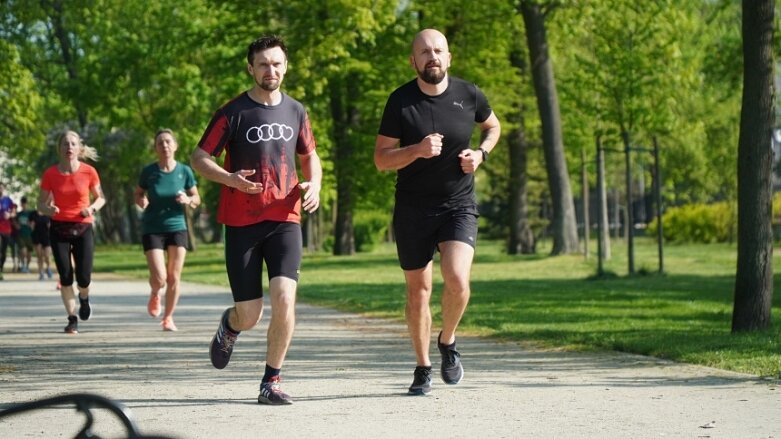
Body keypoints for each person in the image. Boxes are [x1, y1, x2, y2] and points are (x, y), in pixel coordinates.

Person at [190, 35, 322, 405]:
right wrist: (229, 178)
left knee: (284, 298)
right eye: (263, 64)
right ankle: (230, 325)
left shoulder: (296, 110)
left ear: (285, 66)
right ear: (251, 68)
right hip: (242, 222)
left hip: (286, 217)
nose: (271, 70)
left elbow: (310, 156)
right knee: (250, 314)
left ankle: (271, 380)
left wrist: (316, 185)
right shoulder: (233, 112)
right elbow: (199, 157)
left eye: (277, 63)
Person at [374, 29, 501, 396]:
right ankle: (423, 366)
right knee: (419, 291)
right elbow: (381, 159)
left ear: (449, 57)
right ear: (413, 61)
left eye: (438, 50)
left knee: (458, 279)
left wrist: (481, 155)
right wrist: (415, 150)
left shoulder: (469, 93)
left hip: (457, 204)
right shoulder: (400, 102)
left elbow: (493, 127)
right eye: (424, 52)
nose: (432, 57)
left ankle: (447, 340)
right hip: (413, 208)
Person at [38, 130, 106, 334]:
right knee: (65, 276)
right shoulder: (50, 174)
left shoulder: (89, 172)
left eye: (73, 144)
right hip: (58, 227)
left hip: (83, 226)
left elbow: (101, 198)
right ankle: (72, 318)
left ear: (79, 148)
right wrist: (49, 209)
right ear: (59, 148)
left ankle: (84, 298)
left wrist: (91, 208)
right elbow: (40, 203)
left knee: (83, 277)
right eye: (65, 144)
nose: (69, 147)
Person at [134, 129, 201, 332]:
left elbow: (196, 198)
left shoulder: (184, 171)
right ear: (155, 148)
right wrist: (141, 200)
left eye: (168, 142)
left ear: (175, 146)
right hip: (152, 228)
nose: (164, 145)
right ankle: (155, 292)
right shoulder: (149, 172)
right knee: (160, 277)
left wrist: (188, 200)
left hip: (177, 227)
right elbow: (138, 193)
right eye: (160, 142)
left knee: (174, 277)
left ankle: (168, 318)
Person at [30, 208, 53, 281]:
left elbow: (51, 225)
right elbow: (30, 224)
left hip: (47, 237)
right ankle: (41, 272)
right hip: (37, 237)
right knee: (39, 256)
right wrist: (31, 225)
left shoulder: (48, 213)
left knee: (47, 255)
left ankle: (48, 268)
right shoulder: (33, 214)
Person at [15, 196, 35, 274]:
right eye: (23, 203)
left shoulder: (30, 213)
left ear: (27, 204)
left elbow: (33, 225)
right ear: (21, 204)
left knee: (29, 253)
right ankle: (23, 266)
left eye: (25, 203)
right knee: (23, 251)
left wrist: (30, 224)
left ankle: (27, 266)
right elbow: (15, 222)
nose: (24, 205)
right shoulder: (18, 214)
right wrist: (17, 225)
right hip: (21, 235)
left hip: (29, 235)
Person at [0, 183, 15, 280]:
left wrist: (9, 215)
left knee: (3, 252)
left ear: (4, 189)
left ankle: (1, 269)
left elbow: (14, 212)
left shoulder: (8, 200)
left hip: (6, 229)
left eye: (1, 188)